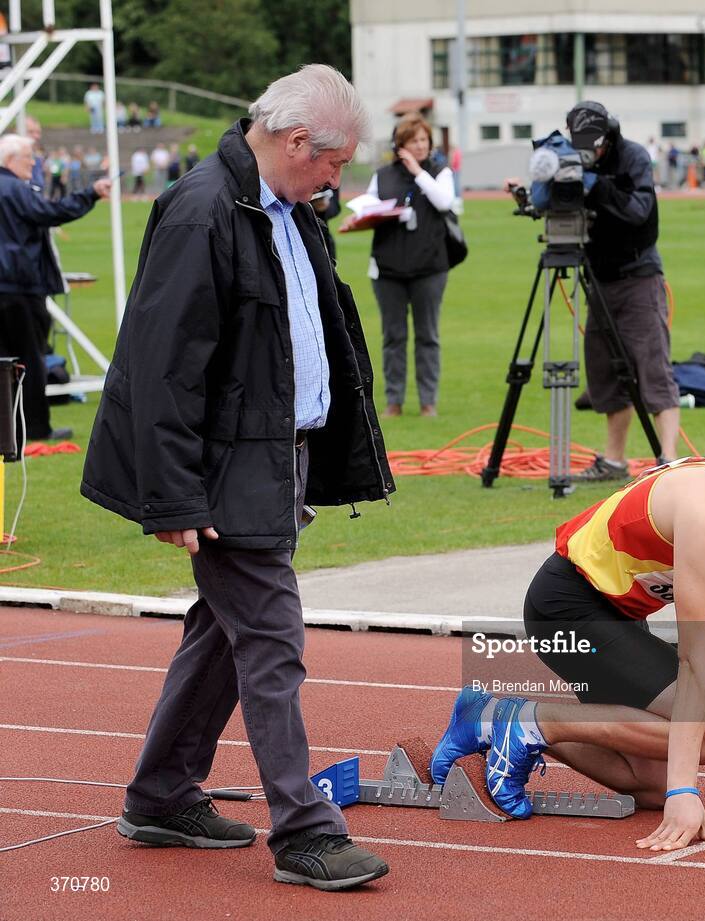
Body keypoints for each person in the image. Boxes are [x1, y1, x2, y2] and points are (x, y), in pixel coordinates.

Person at [79, 64, 395, 891]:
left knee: (223, 632)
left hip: (272, 457)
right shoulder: (201, 210)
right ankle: (304, 830)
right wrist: (175, 495)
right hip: (224, 472)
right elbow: (163, 368)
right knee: (271, 638)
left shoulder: (288, 208)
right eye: (334, 162)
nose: (340, 178)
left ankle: (159, 795)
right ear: (297, 143)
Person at [431, 456, 705, 850]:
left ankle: (495, 722)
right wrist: (684, 791)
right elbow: (696, 662)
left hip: (621, 616)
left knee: (649, 786)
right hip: (567, 606)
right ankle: (519, 720)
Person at [564, 101, 679, 481]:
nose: (589, 154)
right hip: (600, 278)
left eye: (594, 146)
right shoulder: (573, 158)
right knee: (606, 369)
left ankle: (669, 459)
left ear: (608, 136)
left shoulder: (633, 157)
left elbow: (639, 211)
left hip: (638, 275)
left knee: (652, 364)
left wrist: (599, 186)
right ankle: (614, 461)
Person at [0, 134, 112, 441]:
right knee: (30, 359)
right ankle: (36, 428)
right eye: (28, 157)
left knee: (3, 361)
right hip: (20, 288)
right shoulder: (16, 189)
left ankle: (6, 432)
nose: (34, 162)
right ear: (10, 160)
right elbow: (51, 213)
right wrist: (89, 194)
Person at [344, 112, 454, 417]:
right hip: (388, 269)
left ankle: (427, 401)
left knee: (427, 336)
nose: (419, 145)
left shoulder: (439, 171)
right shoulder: (383, 175)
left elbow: (444, 202)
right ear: (399, 144)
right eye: (412, 140)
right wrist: (359, 218)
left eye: (423, 140)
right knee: (393, 336)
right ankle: (394, 401)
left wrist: (418, 171)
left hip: (430, 268)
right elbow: (367, 206)